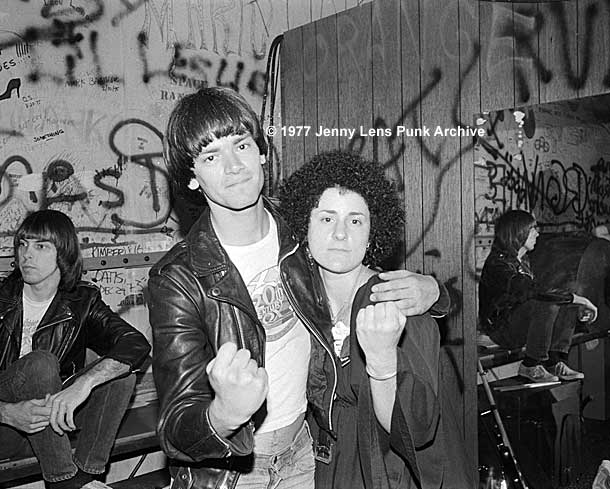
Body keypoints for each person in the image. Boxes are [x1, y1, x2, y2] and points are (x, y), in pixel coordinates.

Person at [148, 86, 449, 489]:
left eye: (241, 145)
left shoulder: (299, 229)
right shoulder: (178, 279)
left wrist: (434, 290)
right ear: (191, 178)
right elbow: (174, 429)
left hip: (305, 454)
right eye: (210, 156)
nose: (233, 166)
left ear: (261, 152)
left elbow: (352, 257)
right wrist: (223, 413)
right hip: (235, 473)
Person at [279, 150, 468, 489]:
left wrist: (382, 361)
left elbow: (416, 428)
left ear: (372, 233)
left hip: (384, 471)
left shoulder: (397, 299)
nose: (340, 234)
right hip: (314, 468)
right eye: (326, 218)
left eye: (355, 220)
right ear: (303, 227)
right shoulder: (296, 299)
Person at [0, 210, 151, 489]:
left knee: (121, 373)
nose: (26, 254)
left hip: (52, 425)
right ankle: (64, 482)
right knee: (40, 363)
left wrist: (84, 384)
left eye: (40, 246)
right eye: (22, 244)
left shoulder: (81, 301)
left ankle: (87, 475)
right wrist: (6, 412)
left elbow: (135, 344)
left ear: (63, 253)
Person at [479, 209, 597, 382]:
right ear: (518, 232)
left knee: (564, 294)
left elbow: (546, 294)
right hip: (499, 332)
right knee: (548, 301)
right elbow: (534, 292)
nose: (537, 233)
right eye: (532, 229)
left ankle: (554, 362)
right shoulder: (499, 264)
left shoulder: (523, 261)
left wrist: (575, 308)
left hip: (519, 325)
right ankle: (530, 365)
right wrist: (581, 300)